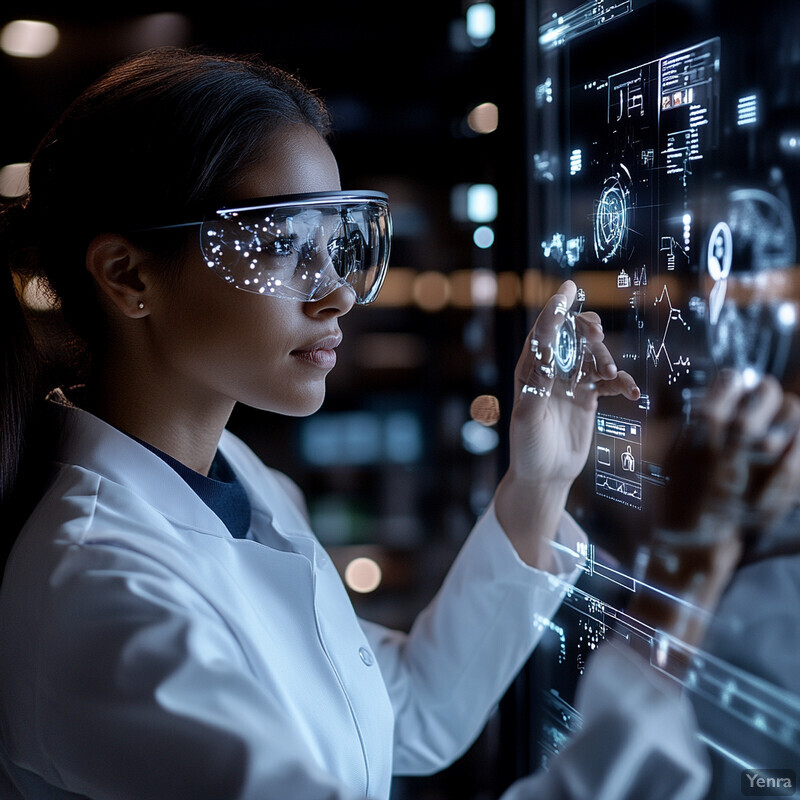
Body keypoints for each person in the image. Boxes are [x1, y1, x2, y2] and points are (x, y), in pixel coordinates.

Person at [0, 46, 796, 800]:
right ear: (128, 275)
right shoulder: (100, 595)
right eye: (282, 247)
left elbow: (407, 715)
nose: (337, 292)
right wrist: (686, 573)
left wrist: (541, 480)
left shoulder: (239, 482)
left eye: (335, 245)